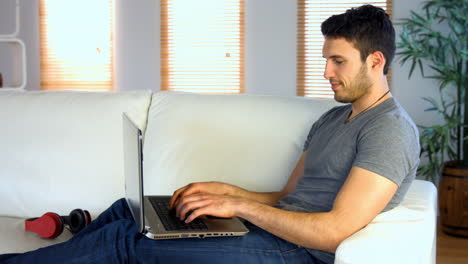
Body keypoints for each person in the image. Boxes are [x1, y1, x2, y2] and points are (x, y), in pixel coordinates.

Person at [0, 5, 419, 264]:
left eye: (338, 61)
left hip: (297, 253)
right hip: (272, 230)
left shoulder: (390, 131)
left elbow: (333, 231)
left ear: (375, 61)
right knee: (130, 213)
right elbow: (284, 198)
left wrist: (238, 204)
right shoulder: (332, 119)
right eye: (326, 59)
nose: (326, 71)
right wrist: (222, 192)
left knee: (126, 243)